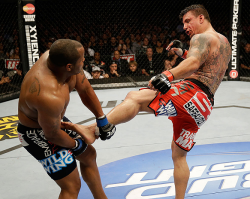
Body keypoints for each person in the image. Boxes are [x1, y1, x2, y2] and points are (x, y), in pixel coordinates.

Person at [62, 5, 231, 199]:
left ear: (201, 18)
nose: (185, 26)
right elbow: (208, 62)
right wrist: (182, 53)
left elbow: (194, 63)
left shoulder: (200, 38)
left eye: (188, 21)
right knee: (179, 156)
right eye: (183, 22)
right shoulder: (224, 42)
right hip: (204, 107)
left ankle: (93, 129)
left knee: (135, 97)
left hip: (191, 92)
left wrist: (167, 74)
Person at [17, 39, 116, 199]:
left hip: (54, 121)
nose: (84, 60)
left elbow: (84, 88)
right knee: (72, 186)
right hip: (36, 133)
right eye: (82, 59)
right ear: (69, 66)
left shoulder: (60, 59)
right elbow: (52, 134)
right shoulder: (48, 94)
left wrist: (101, 119)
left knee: (89, 155)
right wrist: (76, 144)